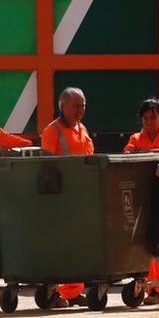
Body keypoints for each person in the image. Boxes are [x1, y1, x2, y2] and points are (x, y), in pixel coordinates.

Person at [41, 87, 95, 303]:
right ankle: (51, 291)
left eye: (82, 106)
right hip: (61, 199)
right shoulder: (52, 131)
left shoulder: (82, 129)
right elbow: (46, 166)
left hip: (80, 198)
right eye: (75, 106)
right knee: (58, 246)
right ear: (62, 106)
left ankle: (72, 291)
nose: (80, 110)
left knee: (77, 245)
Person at [123, 97, 159, 303]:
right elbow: (127, 155)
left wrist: (143, 153)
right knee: (146, 242)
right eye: (146, 117)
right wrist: (154, 154)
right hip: (145, 197)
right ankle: (151, 290)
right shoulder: (136, 138)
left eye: (153, 117)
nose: (149, 121)